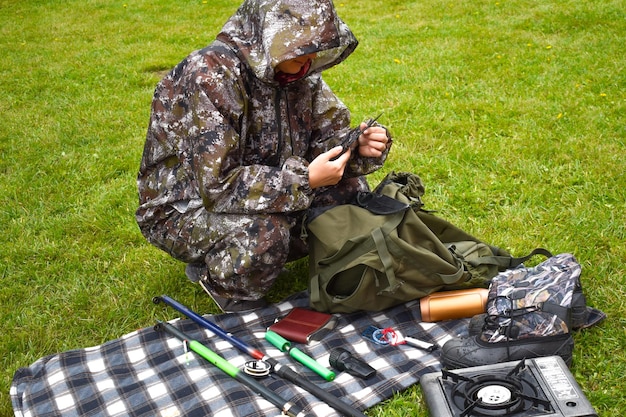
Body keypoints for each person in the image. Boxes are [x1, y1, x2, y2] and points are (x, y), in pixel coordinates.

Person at [136, 0, 392, 312]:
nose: (308, 60)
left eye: (315, 47)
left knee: (351, 193)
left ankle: (252, 256)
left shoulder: (298, 73)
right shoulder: (209, 77)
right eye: (299, 48)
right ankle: (224, 280)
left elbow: (325, 139)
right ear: (268, 36)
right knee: (265, 234)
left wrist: (357, 146)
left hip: (263, 189)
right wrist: (306, 180)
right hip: (184, 210)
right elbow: (218, 186)